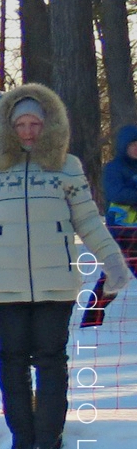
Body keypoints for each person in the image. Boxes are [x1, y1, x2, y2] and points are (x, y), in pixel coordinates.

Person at [0, 85, 133, 449]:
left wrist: (112, 261)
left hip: (56, 284)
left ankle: (48, 436)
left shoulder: (67, 167)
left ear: (50, 126)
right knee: (10, 359)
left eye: (35, 124)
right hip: (5, 285)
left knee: (50, 358)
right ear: (7, 128)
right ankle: (21, 437)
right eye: (20, 124)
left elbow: (89, 221)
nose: (28, 132)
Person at [90, 126, 137, 327]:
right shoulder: (114, 168)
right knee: (114, 274)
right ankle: (92, 317)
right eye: (133, 146)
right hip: (122, 232)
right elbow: (116, 193)